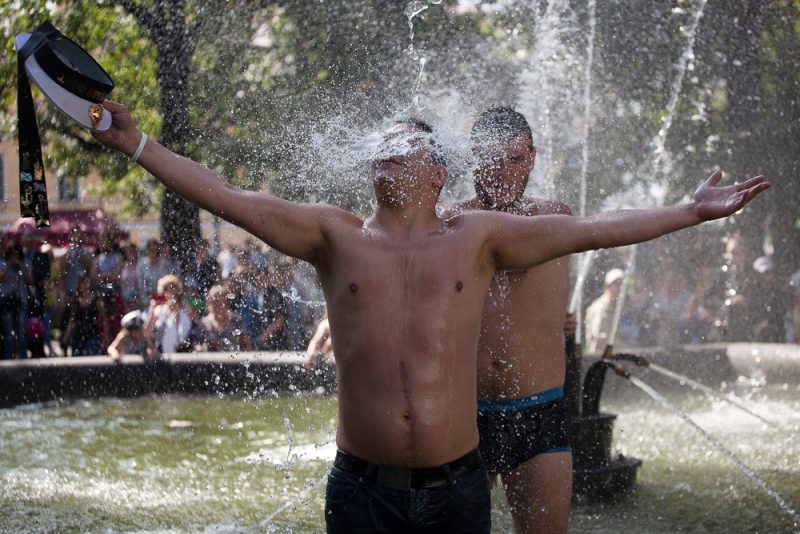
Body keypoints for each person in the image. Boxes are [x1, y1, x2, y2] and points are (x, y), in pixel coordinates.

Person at [93, 100, 768, 532]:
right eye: (382, 141)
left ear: (437, 172)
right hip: (361, 490)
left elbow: (595, 230)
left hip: (456, 491)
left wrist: (687, 210)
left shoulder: (477, 236)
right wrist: (138, 145)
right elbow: (228, 197)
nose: (385, 146)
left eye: (405, 141)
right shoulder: (336, 236)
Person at [441, 107, 573, 533]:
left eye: (514, 159)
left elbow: (614, 227)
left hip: (539, 411)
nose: (502, 170)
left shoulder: (555, 218)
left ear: (532, 158)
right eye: (489, 159)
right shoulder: (445, 224)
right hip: (462, 414)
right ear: (470, 159)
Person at [144, 274, 193, 354]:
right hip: (160, 357)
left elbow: (183, 338)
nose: (169, 293)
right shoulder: (158, 310)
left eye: (172, 289)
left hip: (179, 356)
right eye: (166, 289)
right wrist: (151, 310)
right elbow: (146, 333)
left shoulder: (185, 311)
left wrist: (176, 314)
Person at [585, 268, 626, 354]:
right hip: (600, 357)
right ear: (607, 286)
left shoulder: (619, 307)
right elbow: (600, 337)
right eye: (616, 284)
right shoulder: (599, 308)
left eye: (621, 284)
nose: (619, 288)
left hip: (615, 355)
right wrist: (625, 347)